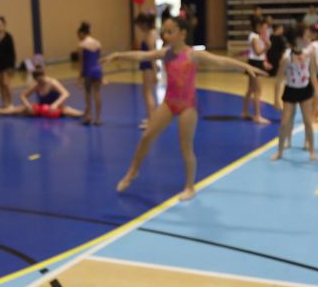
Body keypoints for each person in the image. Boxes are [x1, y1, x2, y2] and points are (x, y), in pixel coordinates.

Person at [106, 14, 266, 201]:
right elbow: (143, 55)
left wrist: (245, 66)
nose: (166, 35)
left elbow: (220, 61)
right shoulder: (166, 53)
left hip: (187, 106)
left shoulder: (193, 54)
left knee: (186, 147)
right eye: (164, 31)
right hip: (169, 103)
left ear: (182, 34)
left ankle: (190, 186)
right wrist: (119, 55)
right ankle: (133, 171)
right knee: (147, 135)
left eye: (170, 31)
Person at [271, 26, 318, 162]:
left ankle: (312, 150)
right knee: (284, 122)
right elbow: (279, 79)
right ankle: (279, 152)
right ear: (296, 40)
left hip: (305, 90)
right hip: (291, 90)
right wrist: (276, 99)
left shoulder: (309, 53)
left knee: (308, 122)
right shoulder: (287, 57)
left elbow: (313, 73)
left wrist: (317, 94)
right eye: (304, 37)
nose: (307, 39)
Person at [0, 64, 84, 118]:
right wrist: (27, 105)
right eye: (38, 80)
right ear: (35, 79)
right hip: (41, 109)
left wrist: (55, 104)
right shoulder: (37, 85)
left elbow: (65, 94)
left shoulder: (52, 83)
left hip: (54, 109)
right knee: (18, 109)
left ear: (44, 75)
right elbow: (23, 95)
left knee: (67, 111)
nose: (40, 82)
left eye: (42, 79)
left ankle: (83, 114)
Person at [133, 12, 160, 127]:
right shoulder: (151, 33)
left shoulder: (149, 35)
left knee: (147, 93)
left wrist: (155, 72)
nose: (139, 28)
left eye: (140, 25)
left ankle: (151, 121)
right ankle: (151, 118)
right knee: (147, 93)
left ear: (144, 24)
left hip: (148, 66)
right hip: (147, 65)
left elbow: (153, 55)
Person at [244, 16, 270, 125]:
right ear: (257, 26)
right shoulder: (254, 37)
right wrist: (267, 47)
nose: (264, 29)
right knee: (257, 91)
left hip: (255, 62)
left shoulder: (256, 36)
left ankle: (245, 111)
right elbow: (257, 52)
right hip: (255, 63)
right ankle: (257, 116)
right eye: (263, 27)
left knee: (250, 89)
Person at [76, 22, 104, 126]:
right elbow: (98, 59)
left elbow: (81, 62)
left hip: (88, 71)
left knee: (87, 94)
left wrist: (79, 77)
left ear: (82, 33)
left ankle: (88, 116)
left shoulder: (81, 45)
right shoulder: (97, 43)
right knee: (97, 93)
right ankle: (98, 118)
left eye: (79, 35)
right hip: (97, 70)